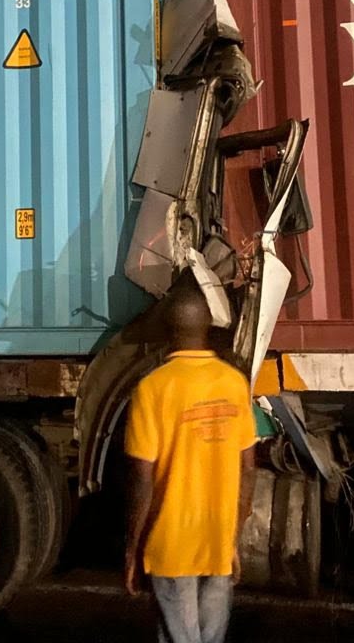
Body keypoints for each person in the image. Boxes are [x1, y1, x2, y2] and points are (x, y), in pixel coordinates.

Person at [123, 271, 257, 643]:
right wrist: (233, 539)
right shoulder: (233, 383)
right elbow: (248, 472)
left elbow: (142, 480)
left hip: (171, 545)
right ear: (207, 329)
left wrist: (133, 550)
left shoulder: (152, 389)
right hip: (216, 541)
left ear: (168, 332)